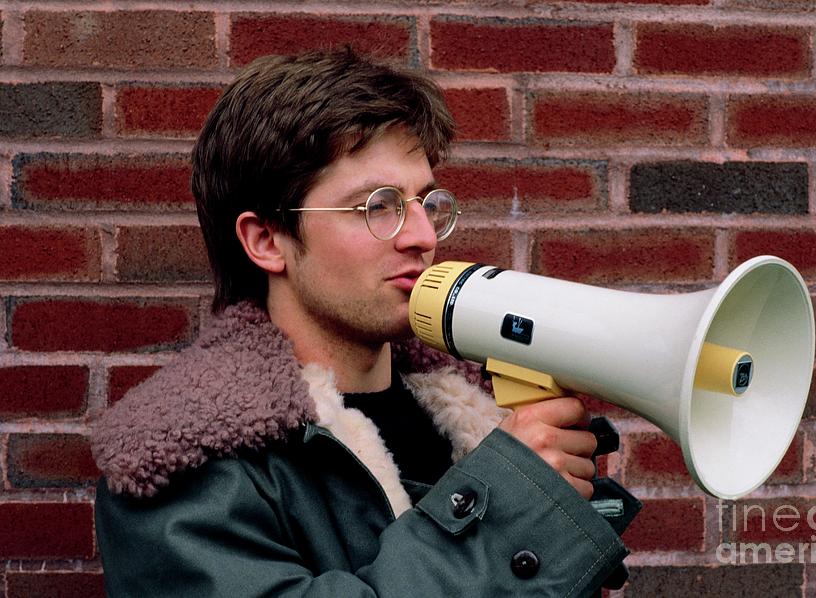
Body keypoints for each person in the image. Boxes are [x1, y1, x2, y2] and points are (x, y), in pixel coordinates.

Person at [91, 49, 632, 596]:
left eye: (424, 202)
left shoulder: (481, 415)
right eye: (377, 206)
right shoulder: (184, 464)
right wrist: (509, 501)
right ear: (266, 241)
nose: (422, 236)